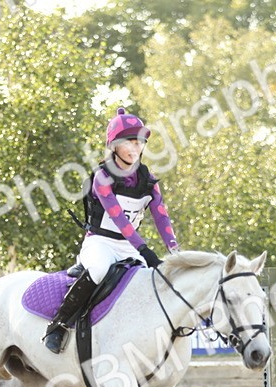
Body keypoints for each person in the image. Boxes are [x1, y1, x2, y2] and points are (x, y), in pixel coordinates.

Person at [43, 107, 180, 353]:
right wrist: (145, 250)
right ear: (114, 145)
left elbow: (161, 217)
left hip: (129, 246)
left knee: (152, 282)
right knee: (99, 269)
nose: (136, 148)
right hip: (100, 243)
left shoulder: (149, 180)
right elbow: (119, 220)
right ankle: (59, 325)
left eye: (140, 142)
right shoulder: (102, 178)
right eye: (129, 142)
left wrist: (175, 251)